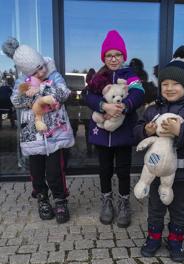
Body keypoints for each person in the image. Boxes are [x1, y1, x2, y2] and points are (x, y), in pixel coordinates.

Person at [133, 45, 184, 262]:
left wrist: (181, 130)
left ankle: (176, 240)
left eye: (176, 83)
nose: (169, 88)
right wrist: (145, 130)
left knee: (178, 208)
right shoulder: (153, 109)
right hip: (157, 171)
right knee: (156, 207)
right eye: (165, 83)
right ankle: (154, 237)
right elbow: (136, 131)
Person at [2, 37, 74, 224]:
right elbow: (15, 101)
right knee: (37, 171)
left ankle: (60, 199)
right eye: (37, 70)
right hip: (32, 135)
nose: (42, 71)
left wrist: (41, 90)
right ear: (27, 72)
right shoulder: (21, 82)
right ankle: (42, 198)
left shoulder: (53, 74)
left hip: (55, 133)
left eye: (42, 66)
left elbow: (64, 93)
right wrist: (31, 98)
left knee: (55, 171)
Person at [84, 30, 145, 228]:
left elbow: (138, 93)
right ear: (104, 57)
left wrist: (124, 106)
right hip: (102, 133)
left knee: (123, 170)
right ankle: (107, 201)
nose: (113, 59)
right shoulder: (99, 76)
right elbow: (88, 96)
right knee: (104, 169)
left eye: (117, 55)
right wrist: (104, 106)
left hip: (123, 132)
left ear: (123, 56)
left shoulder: (130, 74)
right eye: (109, 55)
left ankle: (124, 202)